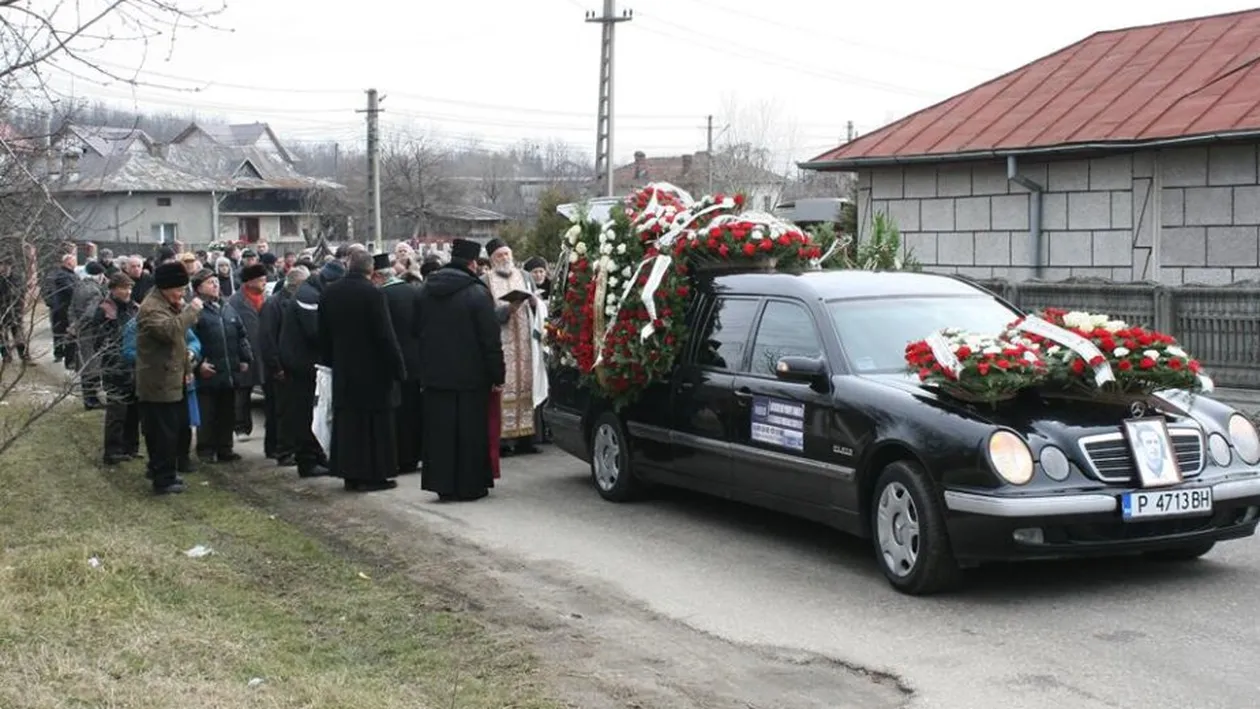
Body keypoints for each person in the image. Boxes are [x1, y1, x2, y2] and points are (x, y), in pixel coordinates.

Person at [417, 238, 505, 502]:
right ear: (472, 263)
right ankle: (470, 485)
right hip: (470, 377)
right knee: (469, 432)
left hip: (435, 375)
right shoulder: (478, 294)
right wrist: (497, 375)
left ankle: (442, 484)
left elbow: (416, 329)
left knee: (440, 432)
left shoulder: (425, 290)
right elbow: (490, 341)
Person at [318, 250, 407, 492]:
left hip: (344, 369)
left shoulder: (330, 292)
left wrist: (331, 361)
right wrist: (398, 368)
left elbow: (323, 334)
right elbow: (385, 335)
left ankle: (350, 473)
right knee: (374, 427)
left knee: (348, 425)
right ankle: (374, 475)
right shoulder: (373, 294)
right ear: (371, 271)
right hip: (373, 372)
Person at [136, 262, 203, 494]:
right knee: (162, 432)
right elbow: (170, 333)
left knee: (170, 429)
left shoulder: (166, 303)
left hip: (173, 378)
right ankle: (162, 478)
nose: (182, 294)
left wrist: (187, 371)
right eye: (179, 290)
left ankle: (164, 471)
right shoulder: (151, 308)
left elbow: (180, 343)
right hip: (158, 382)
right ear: (166, 287)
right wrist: (190, 311)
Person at [278, 260, 343, 478]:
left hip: (304, 363)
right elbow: (315, 333)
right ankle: (307, 460)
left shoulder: (311, 292)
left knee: (311, 411)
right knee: (307, 412)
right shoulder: (309, 298)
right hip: (303, 366)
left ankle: (315, 456)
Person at [482, 238, 541, 456]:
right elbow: (486, 317)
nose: (505, 259)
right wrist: (509, 309)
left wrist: (535, 304)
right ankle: (504, 442)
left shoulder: (524, 276)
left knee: (528, 386)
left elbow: (537, 306)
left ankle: (527, 438)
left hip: (525, 342)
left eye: (507, 254)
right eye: (500, 256)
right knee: (503, 389)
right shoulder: (485, 281)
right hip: (502, 343)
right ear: (492, 260)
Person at [190, 269, 252, 463]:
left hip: (229, 370)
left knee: (227, 411)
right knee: (208, 413)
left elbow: (241, 335)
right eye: (210, 283)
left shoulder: (227, 307)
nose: (215, 285)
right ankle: (206, 450)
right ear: (199, 288)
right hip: (208, 371)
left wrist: (245, 358)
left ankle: (225, 448)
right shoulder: (195, 311)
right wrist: (198, 365)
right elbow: (188, 340)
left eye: (216, 282)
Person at [377, 252, 424, 474]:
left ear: (377, 276)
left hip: (392, 363)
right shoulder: (411, 290)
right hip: (415, 361)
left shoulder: (379, 296)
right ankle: (413, 455)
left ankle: (397, 456)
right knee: (413, 410)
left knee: (396, 413)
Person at [259, 266, 308, 463]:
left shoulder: (292, 302)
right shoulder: (274, 304)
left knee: (289, 409)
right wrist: (276, 366)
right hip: (280, 366)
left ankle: (287, 447)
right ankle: (282, 449)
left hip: (291, 365)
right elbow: (268, 338)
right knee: (280, 410)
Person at [93, 273, 139, 465]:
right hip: (114, 367)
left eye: (129, 287)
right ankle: (112, 450)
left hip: (134, 366)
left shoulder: (135, 308)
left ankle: (131, 447)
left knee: (133, 410)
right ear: (113, 289)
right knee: (117, 411)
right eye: (123, 288)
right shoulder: (105, 310)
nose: (127, 291)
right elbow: (99, 341)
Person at [227, 263, 268, 440]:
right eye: (261, 280)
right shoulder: (236, 301)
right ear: (250, 282)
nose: (264, 283)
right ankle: (241, 427)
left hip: (265, 352)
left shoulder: (266, 298)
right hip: (245, 352)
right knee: (243, 392)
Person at [0, 257, 30, 364]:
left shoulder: (16, 277)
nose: (3, 268)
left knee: (18, 333)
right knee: (2, 335)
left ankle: (24, 355)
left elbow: (20, 292)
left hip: (15, 310)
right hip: (2, 311)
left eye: (4, 265)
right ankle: (6, 356)